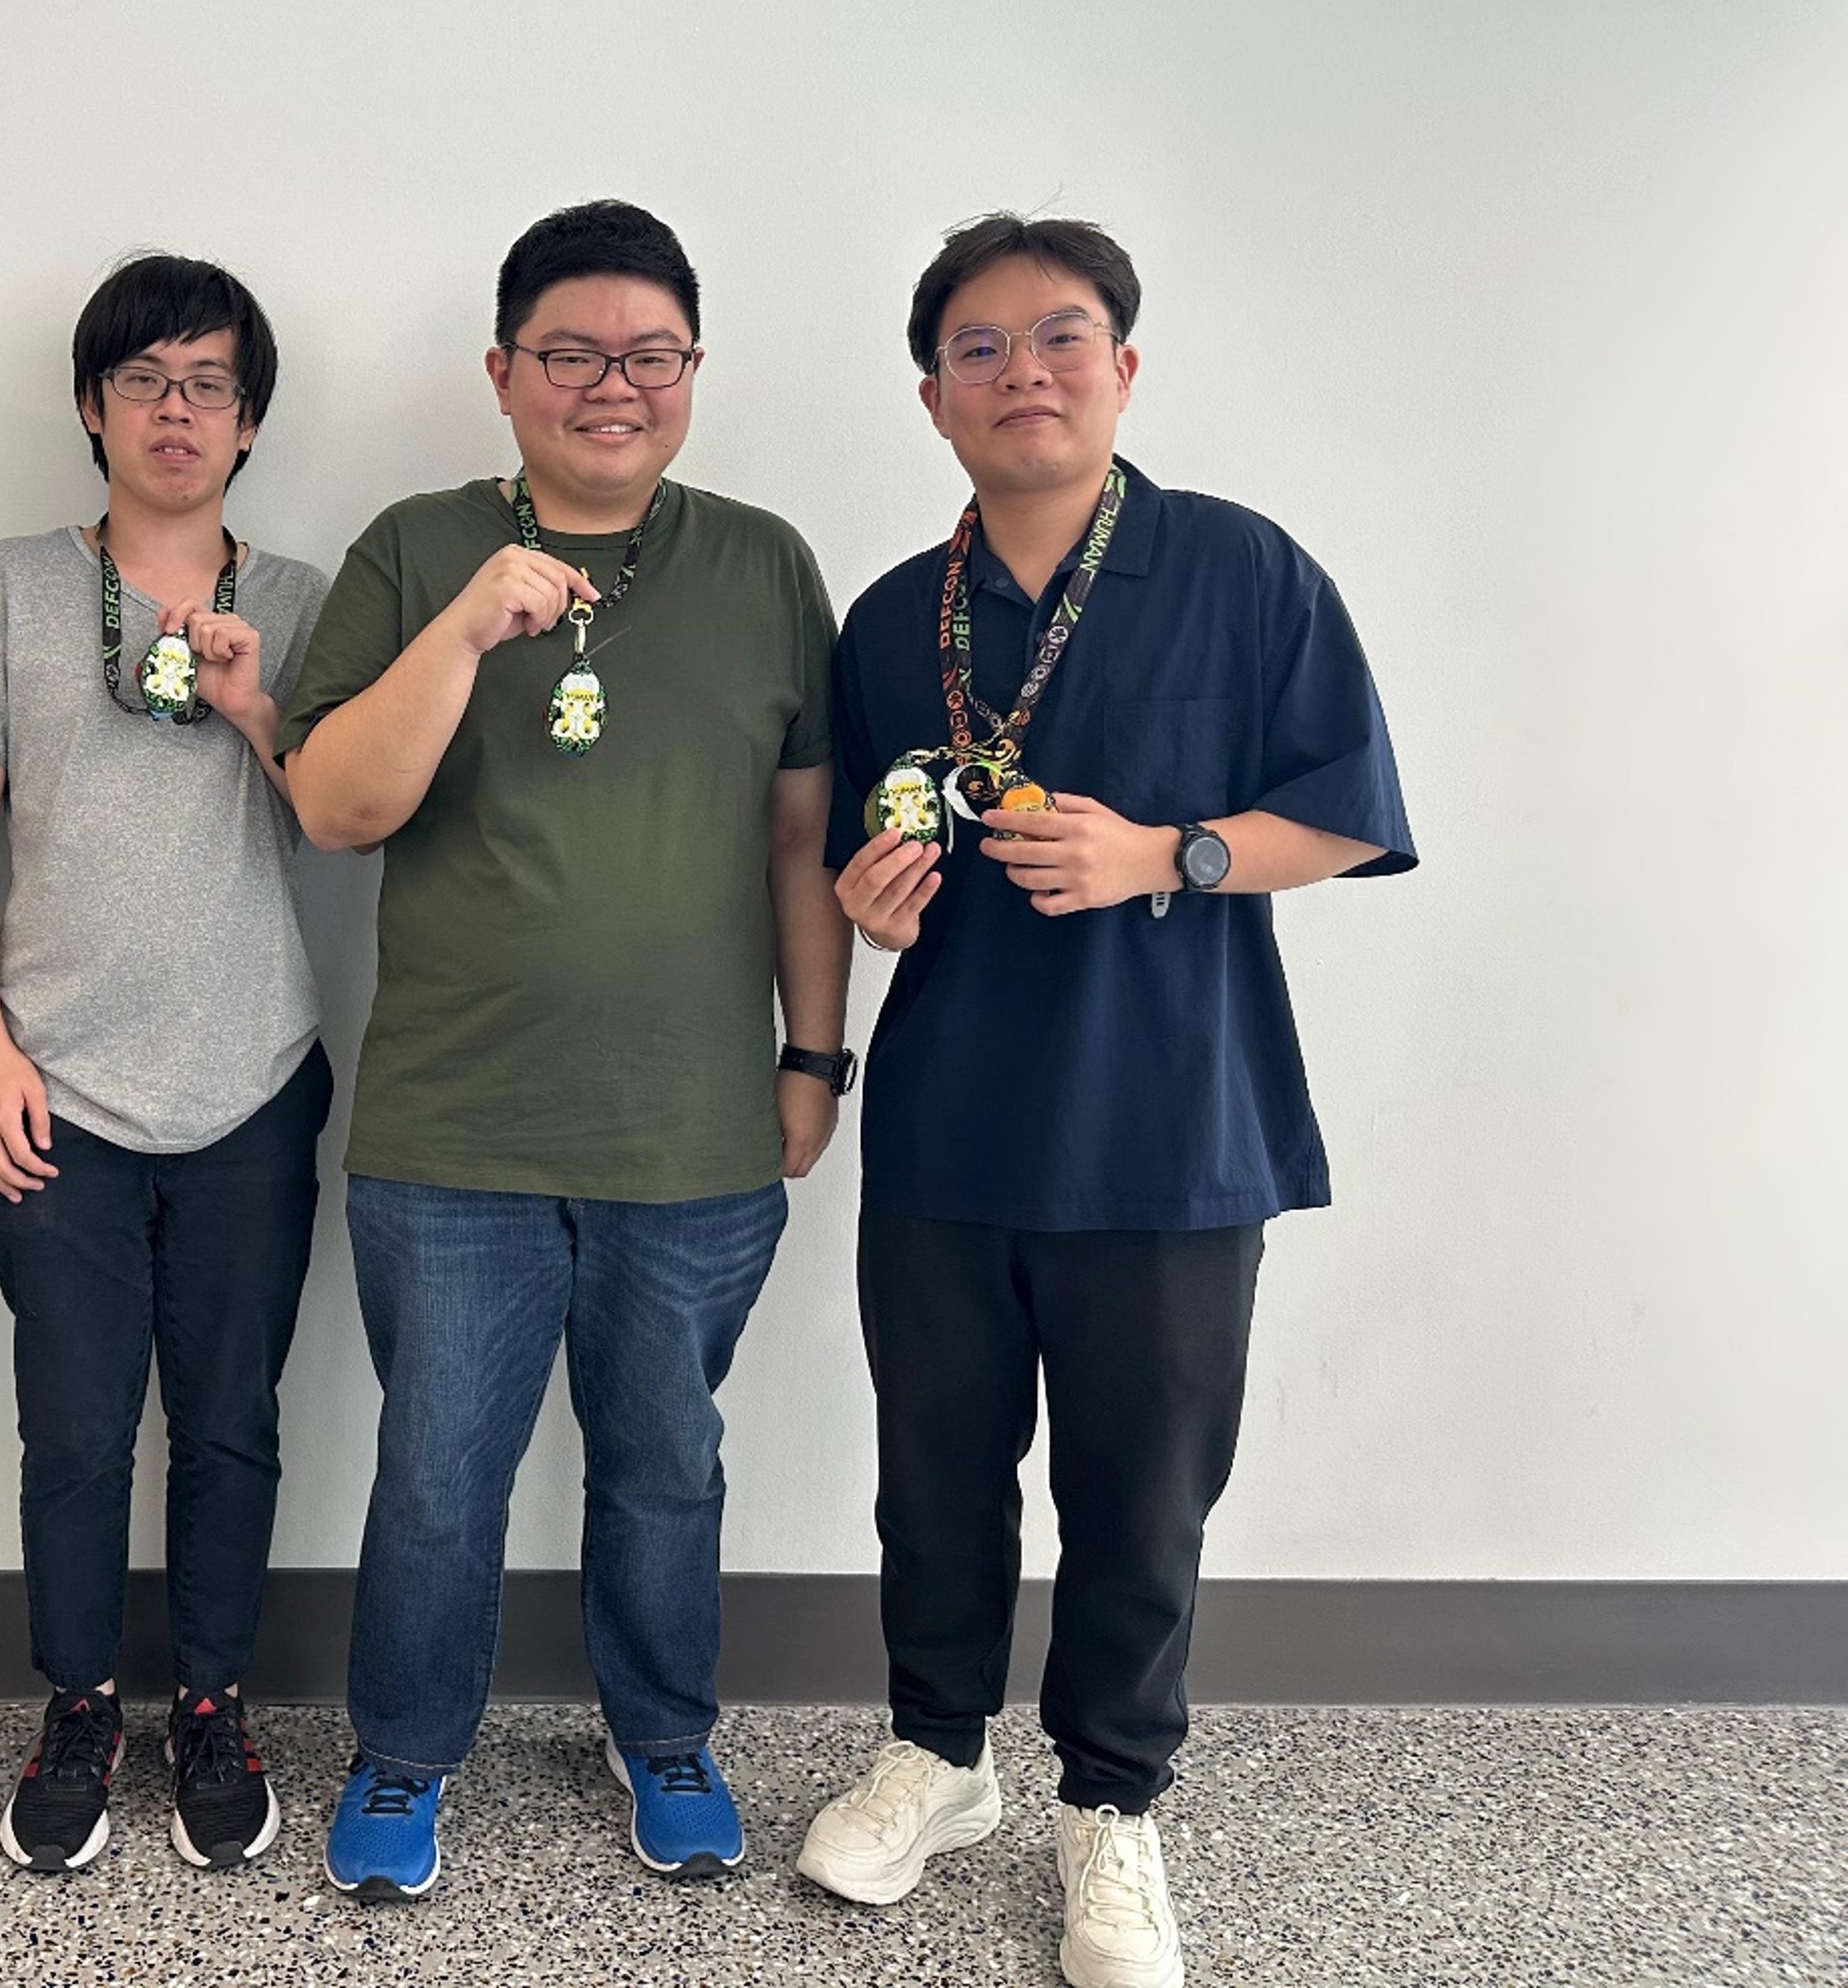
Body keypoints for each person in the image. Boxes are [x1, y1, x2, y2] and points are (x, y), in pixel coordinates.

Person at [795, 213, 1415, 1988]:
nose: (1023, 374)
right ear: (931, 398)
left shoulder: (1240, 570)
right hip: (949, 1126)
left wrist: (1171, 851)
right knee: (932, 1476)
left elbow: (1354, 813)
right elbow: (855, 841)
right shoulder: (885, 616)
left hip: (1168, 1126)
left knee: (1140, 1496)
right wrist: (863, 897)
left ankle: (1113, 1805)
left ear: (1122, 368)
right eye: (978, 350)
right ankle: (938, 1753)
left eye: (1059, 338)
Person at [278, 200, 854, 1899]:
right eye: (572, 355)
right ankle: (400, 1762)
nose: (615, 386)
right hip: (453, 1125)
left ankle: (662, 1734)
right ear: (504, 372)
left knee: (667, 1464)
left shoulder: (760, 563)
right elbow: (333, 806)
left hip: (693, 1130)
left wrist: (811, 1063)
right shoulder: (414, 544)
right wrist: (460, 629)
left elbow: (798, 838)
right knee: (437, 1478)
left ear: (690, 372)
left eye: (650, 356)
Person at [0, 253, 331, 1876]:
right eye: (146, 379)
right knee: (75, 1422)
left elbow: (340, 812)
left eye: (211, 384)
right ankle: (80, 1700)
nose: (178, 411)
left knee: (231, 1416)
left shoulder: (299, 597)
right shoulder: (11, 586)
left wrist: (253, 708)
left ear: (249, 420)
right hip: (56, 1088)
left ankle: (213, 1703)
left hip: (251, 1072)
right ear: (91, 407)